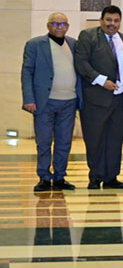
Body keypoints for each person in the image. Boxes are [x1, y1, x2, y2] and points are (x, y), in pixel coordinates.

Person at [74, 5, 123, 189]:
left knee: (115, 140)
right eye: (108, 20)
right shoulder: (88, 36)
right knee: (95, 139)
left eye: (116, 20)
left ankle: (111, 177)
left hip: (119, 100)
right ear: (101, 20)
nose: (112, 24)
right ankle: (95, 176)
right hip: (96, 99)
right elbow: (81, 63)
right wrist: (102, 81)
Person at [21, 12, 82, 192]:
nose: (59, 27)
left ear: (68, 27)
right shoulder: (35, 45)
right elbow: (27, 73)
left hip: (69, 102)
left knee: (64, 142)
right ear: (48, 26)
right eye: (55, 24)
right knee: (44, 142)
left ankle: (60, 176)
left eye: (63, 24)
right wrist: (28, 99)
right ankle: (44, 177)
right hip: (44, 102)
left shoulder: (74, 44)